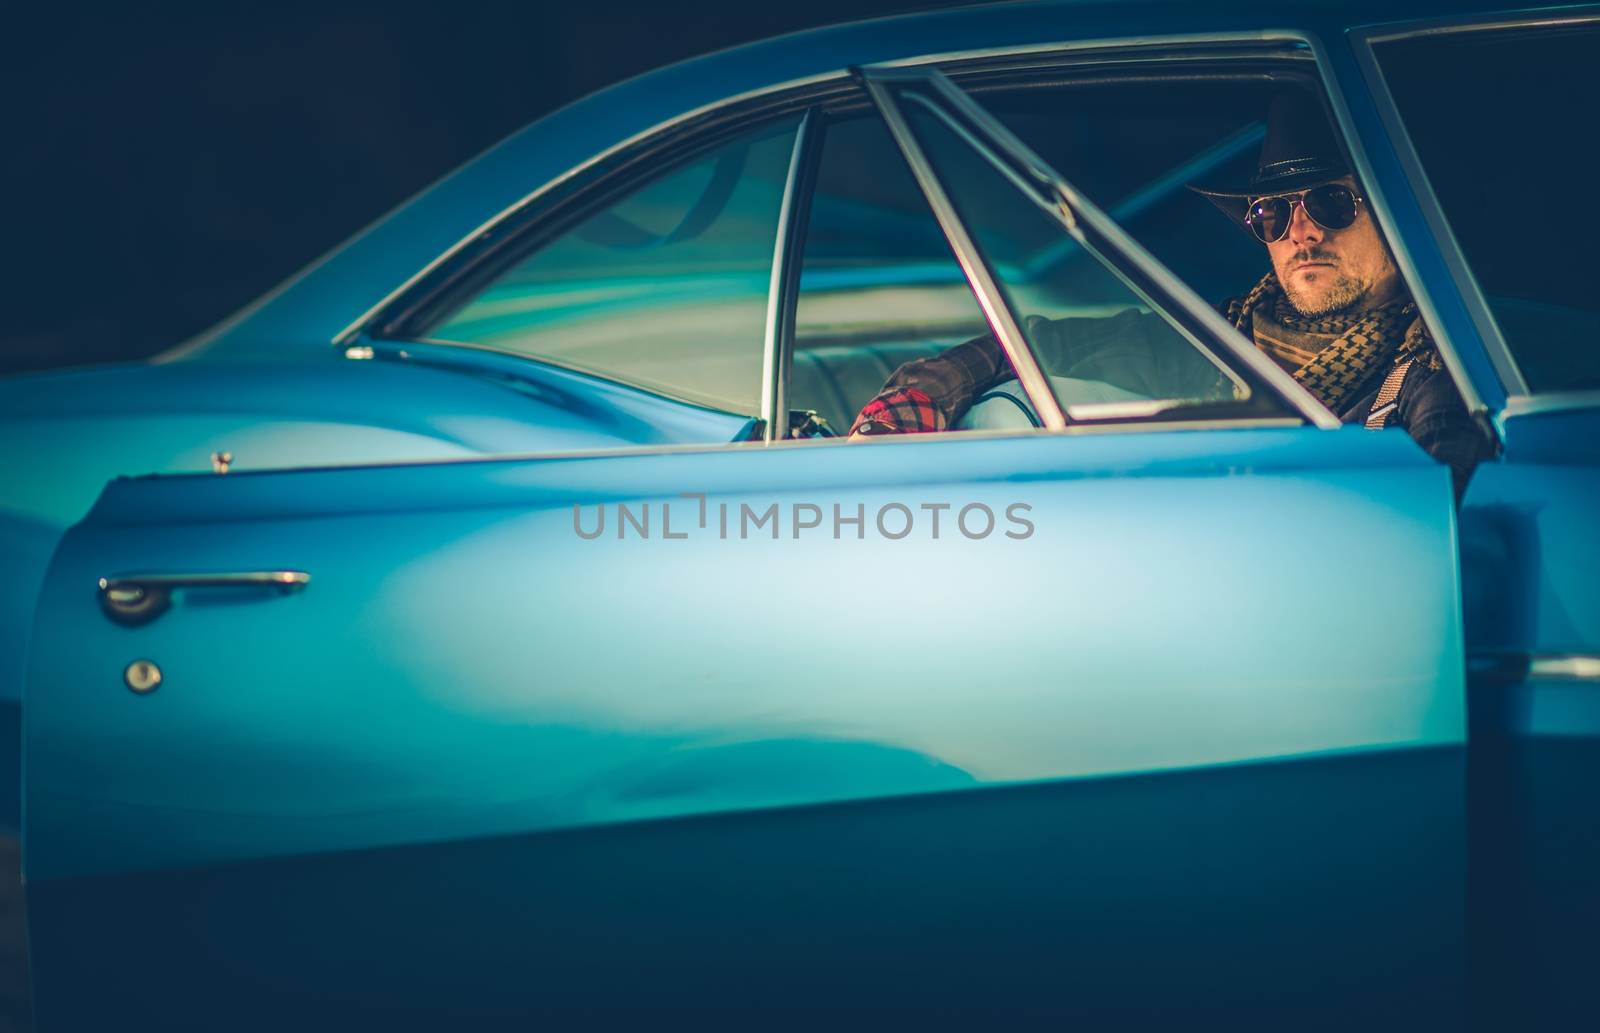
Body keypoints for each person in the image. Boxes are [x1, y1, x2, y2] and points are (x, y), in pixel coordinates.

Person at [847, 89, 1493, 495]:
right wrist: (912, 406)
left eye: (1329, 202)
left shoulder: (1435, 366)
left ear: (1393, 216)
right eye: (1272, 213)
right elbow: (1035, 347)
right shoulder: (1215, 340)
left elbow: (1449, 504)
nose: (1300, 232)